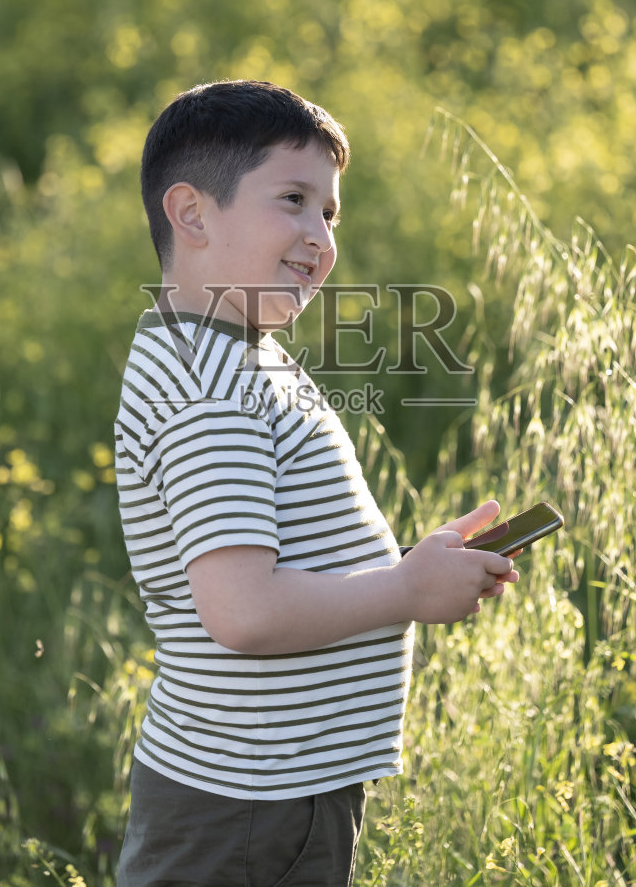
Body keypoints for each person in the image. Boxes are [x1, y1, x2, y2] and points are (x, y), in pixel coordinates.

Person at [114, 80, 516, 887]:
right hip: (250, 807)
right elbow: (245, 611)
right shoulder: (210, 388)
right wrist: (404, 589)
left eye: (329, 214)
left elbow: (278, 558)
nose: (319, 237)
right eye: (292, 200)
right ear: (191, 215)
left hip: (265, 790)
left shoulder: (231, 352)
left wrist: (410, 562)